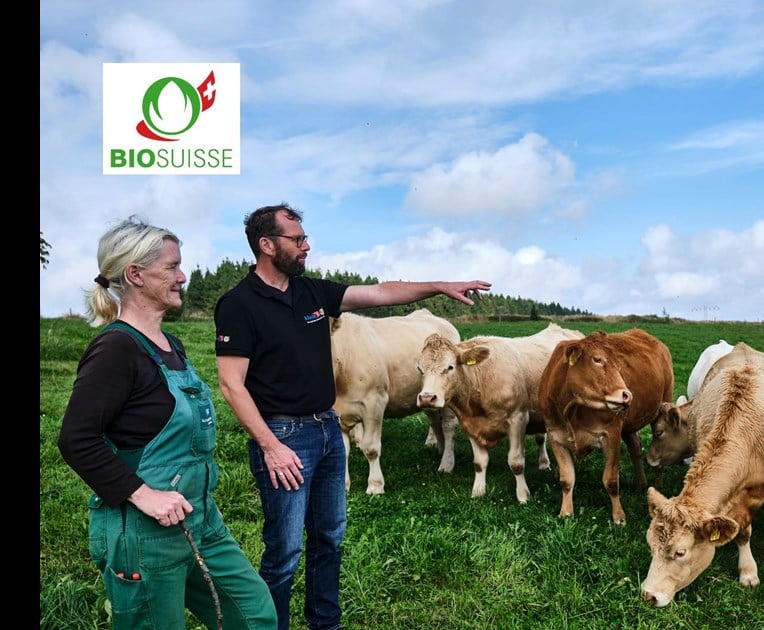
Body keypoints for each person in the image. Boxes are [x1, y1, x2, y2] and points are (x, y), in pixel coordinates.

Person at [213, 202, 491, 630]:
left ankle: (325, 624)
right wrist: (271, 446)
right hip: (284, 436)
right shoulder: (238, 304)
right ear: (267, 245)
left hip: (328, 428)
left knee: (329, 540)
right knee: (284, 551)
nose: (307, 246)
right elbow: (232, 385)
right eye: (297, 239)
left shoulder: (311, 292)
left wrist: (440, 286)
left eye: (305, 237)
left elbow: (381, 292)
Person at [57, 216, 277, 630]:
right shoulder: (116, 348)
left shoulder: (170, 345)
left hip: (201, 521)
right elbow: (76, 439)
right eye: (172, 267)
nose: (183, 275)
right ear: (135, 274)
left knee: (254, 614)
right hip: (144, 535)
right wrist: (144, 495)